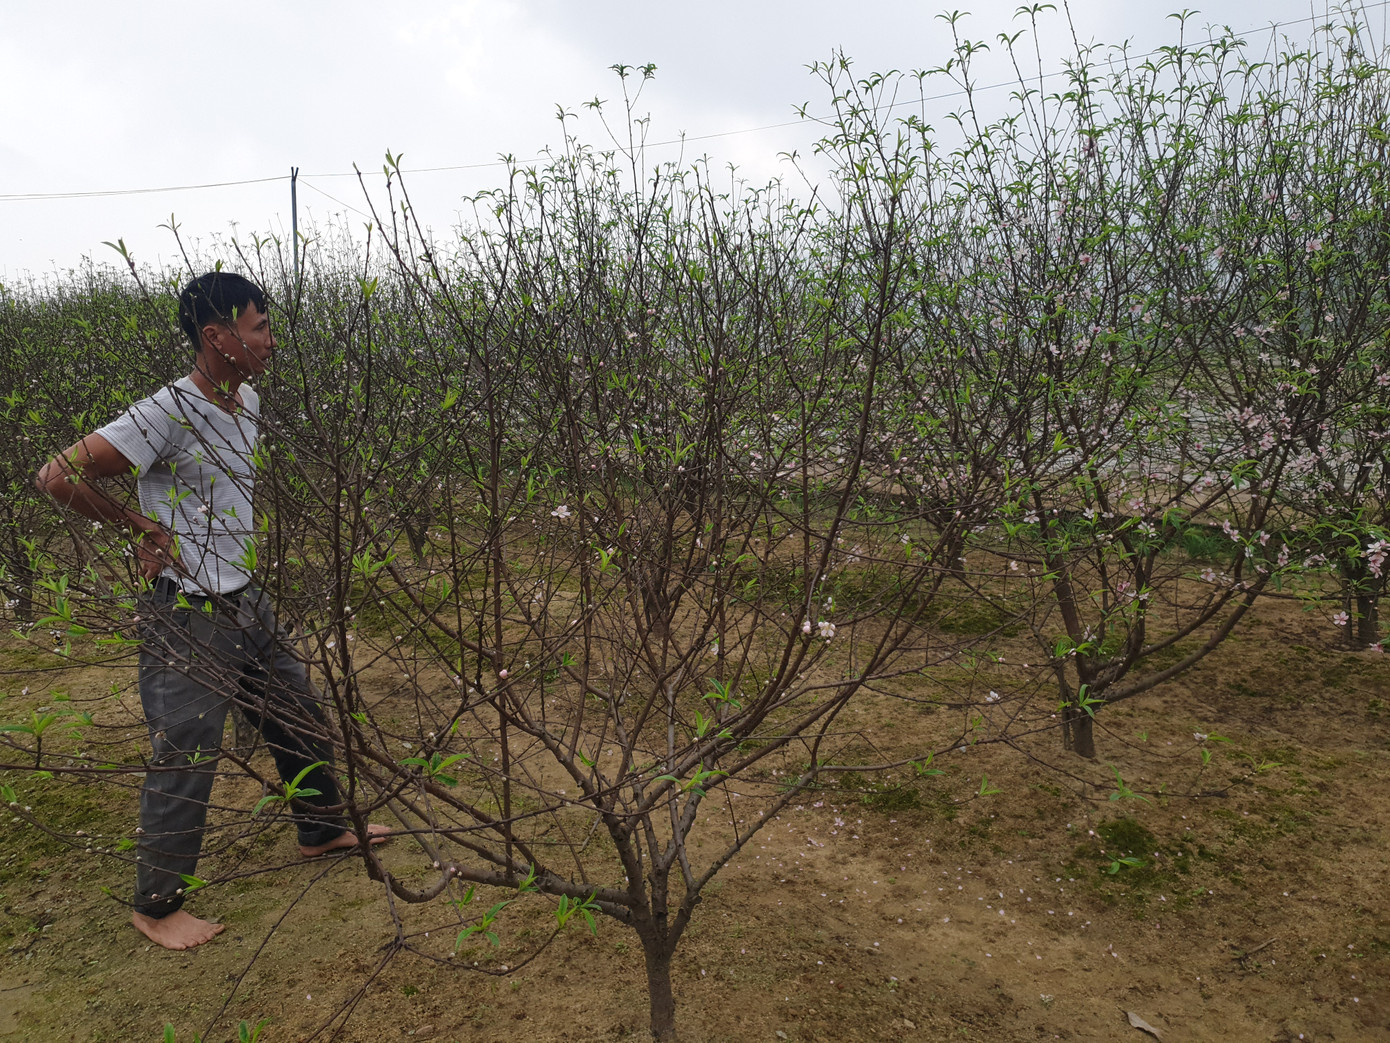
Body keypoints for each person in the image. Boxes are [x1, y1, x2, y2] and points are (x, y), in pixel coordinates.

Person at [35, 271, 386, 951]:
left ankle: (321, 829)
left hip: (245, 595)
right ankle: (157, 905)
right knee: (187, 748)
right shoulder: (164, 412)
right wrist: (140, 525)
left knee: (298, 713)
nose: (271, 340)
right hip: (187, 611)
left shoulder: (246, 398)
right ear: (217, 336)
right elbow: (57, 475)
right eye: (260, 327)